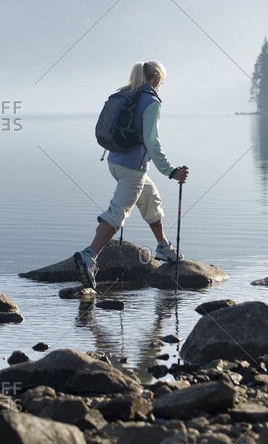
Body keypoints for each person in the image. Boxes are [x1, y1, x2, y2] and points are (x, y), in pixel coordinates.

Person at [74, 61, 189, 289]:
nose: (162, 84)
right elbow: (151, 141)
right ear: (156, 78)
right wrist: (171, 171)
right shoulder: (151, 102)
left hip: (115, 162)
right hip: (132, 168)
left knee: (150, 198)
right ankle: (90, 255)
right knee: (118, 212)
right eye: (163, 80)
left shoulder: (129, 94)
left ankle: (163, 247)